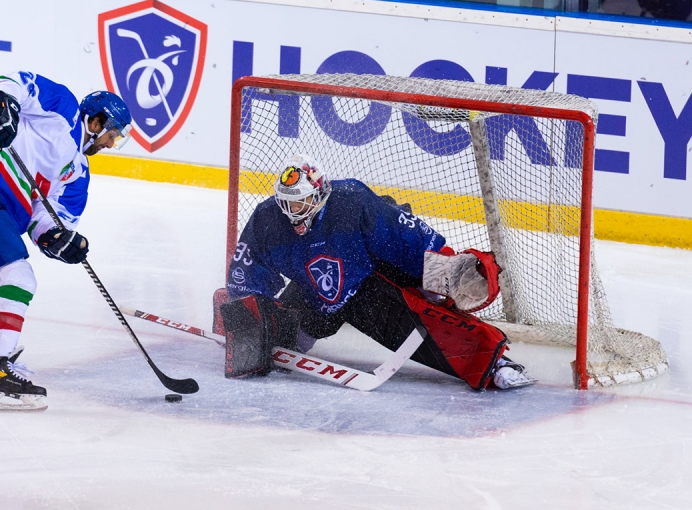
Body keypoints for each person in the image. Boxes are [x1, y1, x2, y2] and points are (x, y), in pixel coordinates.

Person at [217, 154, 533, 390]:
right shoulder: (268, 219)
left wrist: (446, 274)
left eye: (301, 203)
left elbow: (405, 241)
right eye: (287, 203)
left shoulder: (352, 202)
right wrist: (246, 321)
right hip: (312, 293)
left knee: (429, 321)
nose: (293, 213)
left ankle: (494, 363)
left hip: (368, 286)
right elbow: (248, 271)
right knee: (274, 343)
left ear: (320, 193)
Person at [0, 71, 132, 411]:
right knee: (19, 278)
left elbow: (47, 220)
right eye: (111, 135)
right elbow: (9, 80)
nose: (110, 144)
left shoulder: (79, 176)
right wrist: (4, 105)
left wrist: (58, 239)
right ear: (96, 121)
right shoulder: (64, 108)